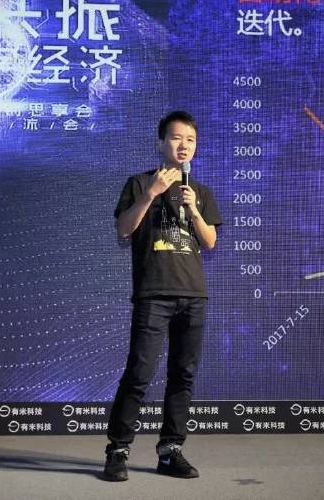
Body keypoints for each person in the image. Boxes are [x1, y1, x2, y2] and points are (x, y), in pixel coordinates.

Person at [102, 111, 222, 481]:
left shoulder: (199, 191)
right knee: (139, 373)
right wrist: (152, 193)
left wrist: (193, 209)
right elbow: (124, 230)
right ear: (160, 143)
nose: (184, 145)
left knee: (182, 375)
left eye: (191, 140)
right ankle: (117, 450)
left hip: (193, 295)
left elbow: (210, 241)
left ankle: (171, 450)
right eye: (176, 137)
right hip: (154, 293)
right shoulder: (139, 183)